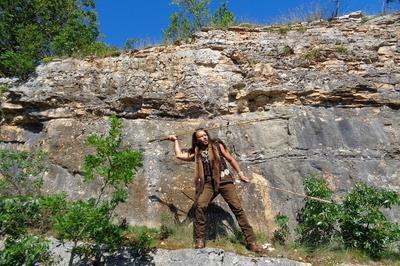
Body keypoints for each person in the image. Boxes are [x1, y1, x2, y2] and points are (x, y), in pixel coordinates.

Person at [168, 128, 264, 253]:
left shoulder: (217, 145)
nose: (204, 138)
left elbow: (230, 159)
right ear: (197, 140)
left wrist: (240, 174)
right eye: (201, 136)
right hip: (208, 184)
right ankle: (199, 240)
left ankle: (252, 243)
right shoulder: (197, 152)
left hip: (225, 181)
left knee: (237, 209)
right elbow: (179, 155)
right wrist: (175, 141)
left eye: (205, 135)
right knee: (200, 206)